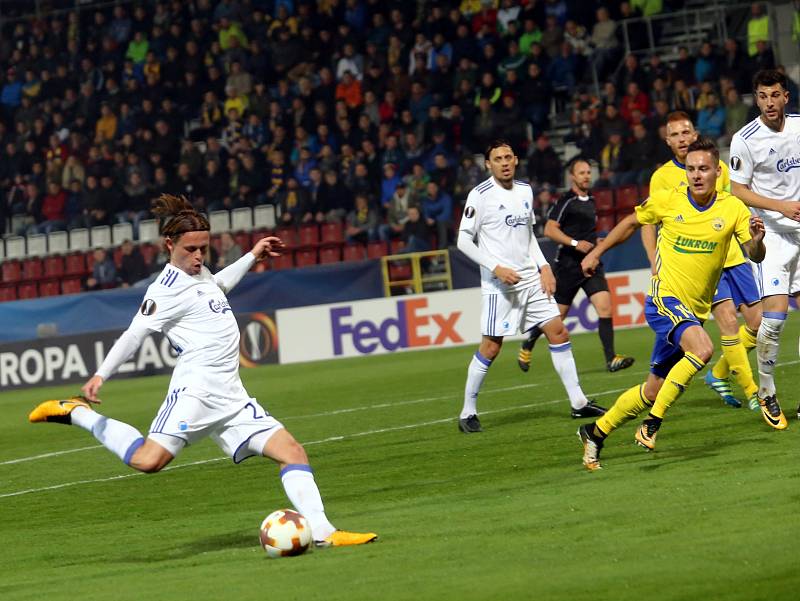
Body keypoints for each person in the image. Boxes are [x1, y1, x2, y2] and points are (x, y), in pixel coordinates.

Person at [29, 194, 377, 548]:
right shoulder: (163, 290)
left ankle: (324, 534)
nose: (198, 257)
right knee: (148, 461)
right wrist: (101, 374)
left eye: (203, 249)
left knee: (293, 452)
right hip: (194, 394)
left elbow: (217, 286)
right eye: (191, 249)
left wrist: (252, 256)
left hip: (231, 394)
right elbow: (136, 333)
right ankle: (78, 414)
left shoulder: (201, 272)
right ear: (169, 244)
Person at [577, 138, 767, 471]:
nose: (696, 175)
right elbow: (631, 223)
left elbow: (754, 254)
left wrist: (757, 241)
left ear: (716, 171)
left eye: (703, 168)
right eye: (691, 168)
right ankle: (652, 424)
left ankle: (595, 432)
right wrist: (595, 252)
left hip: (693, 310)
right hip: (663, 299)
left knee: (653, 388)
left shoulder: (732, 208)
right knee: (704, 349)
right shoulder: (668, 201)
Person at [456, 140, 605, 434]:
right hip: (500, 284)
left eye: (508, 157)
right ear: (488, 164)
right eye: (497, 158)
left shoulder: (525, 190)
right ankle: (467, 412)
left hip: (530, 279)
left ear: (516, 159)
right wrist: (495, 267)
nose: (504, 162)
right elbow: (463, 240)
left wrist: (545, 267)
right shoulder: (480, 195)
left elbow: (529, 237)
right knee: (492, 346)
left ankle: (578, 402)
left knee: (558, 330)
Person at [643, 111, 764, 411]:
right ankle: (754, 394)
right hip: (703, 262)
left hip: (733, 254)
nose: (682, 139)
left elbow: (729, 205)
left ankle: (719, 373)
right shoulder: (662, 177)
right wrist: (652, 261)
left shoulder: (717, 166)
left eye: (686, 133)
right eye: (676, 135)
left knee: (758, 322)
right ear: (667, 140)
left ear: (695, 134)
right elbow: (648, 220)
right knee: (727, 323)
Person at [517, 158, 635, 374]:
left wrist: (595, 243)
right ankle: (529, 342)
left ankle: (611, 359)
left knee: (605, 307)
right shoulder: (566, 200)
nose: (586, 176)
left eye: (589, 172)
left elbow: (585, 232)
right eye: (582, 172)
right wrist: (574, 243)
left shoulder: (591, 199)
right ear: (572, 176)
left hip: (589, 264)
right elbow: (550, 230)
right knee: (556, 318)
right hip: (568, 266)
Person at [728, 69, 800, 421]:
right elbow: (737, 189)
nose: (769, 103)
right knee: (774, 320)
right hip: (771, 235)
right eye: (762, 96)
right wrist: (781, 207)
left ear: (785, 96)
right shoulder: (746, 138)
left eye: (775, 95)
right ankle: (767, 391)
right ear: (756, 99)